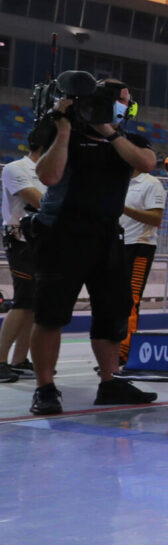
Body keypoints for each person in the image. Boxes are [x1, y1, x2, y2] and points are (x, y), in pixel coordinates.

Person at [29, 78, 159, 414]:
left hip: (106, 235)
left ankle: (109, 381)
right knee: (50, 315)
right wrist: (64, 130)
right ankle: (45, 387)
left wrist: (109, 132)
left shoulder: (128, 140)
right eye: (124, 101)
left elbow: (146, 163)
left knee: (114, 311)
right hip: (62, 233)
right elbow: (48, 177)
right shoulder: (62, 135)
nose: (127, 108)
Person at [0, 123, 53, 383]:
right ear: (47, 147)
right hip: (20, 239)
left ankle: (20, 360)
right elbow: (41, 202)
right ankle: (0, 360)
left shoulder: (53, 173)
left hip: (42, 241)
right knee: (22, 301)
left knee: (33, 303)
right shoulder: (16, 169)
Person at [116, 166, 167, 366]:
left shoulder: (151, 183)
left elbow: (156, 218)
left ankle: (125, 351)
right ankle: (114, 348)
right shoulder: (118, 181)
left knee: (130, 300)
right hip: (116, 244)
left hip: (139, 246)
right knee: (115, 300)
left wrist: (122, 207)